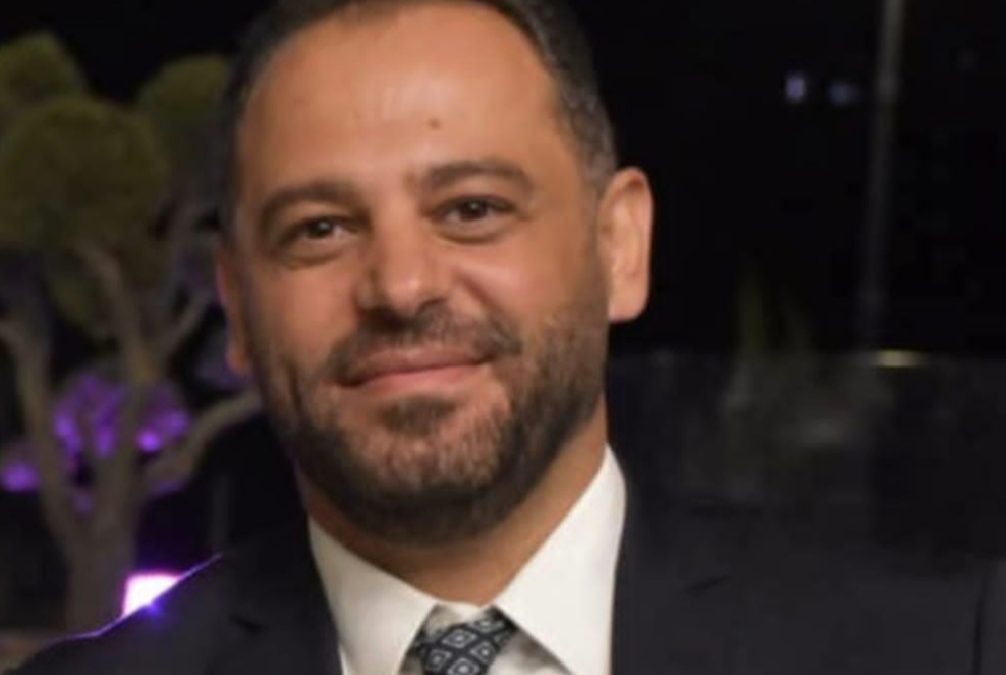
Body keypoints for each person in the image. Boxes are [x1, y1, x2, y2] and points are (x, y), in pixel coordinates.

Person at [10, 0, 1006, 674]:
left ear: (619, 247)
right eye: (320, 229)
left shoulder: (944, 648)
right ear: (235, 301)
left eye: (473, 209)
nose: (401, 286)